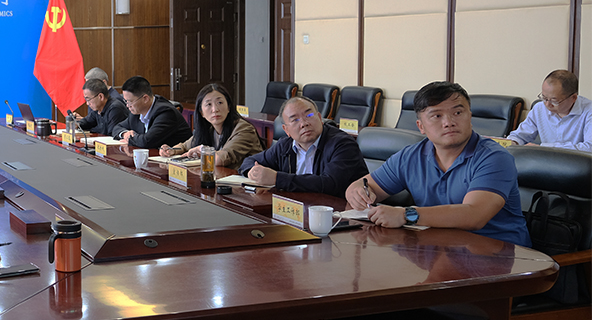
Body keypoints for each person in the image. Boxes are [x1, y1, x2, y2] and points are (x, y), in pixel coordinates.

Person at [344, 81, 530, 246]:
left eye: (458, 113)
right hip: (440, 249)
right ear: (421, 127)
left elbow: (474, 216)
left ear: (470, 117)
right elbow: (365, 185)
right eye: (437, 116)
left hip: (499, 256)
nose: (449, 122)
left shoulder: (494, 157)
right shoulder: (411, 156)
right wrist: (356, 192)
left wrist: (405, 215)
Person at [239, 96, 368, 197]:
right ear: (286, 130)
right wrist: (253, 172)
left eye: (309, 115)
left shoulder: (343, 144)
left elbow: (329, 184)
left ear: (319, 118)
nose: (304, 123)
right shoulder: (284, 146)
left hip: (340, 214)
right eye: (295, 120)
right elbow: (249, 161)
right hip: (298, 210)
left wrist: (277, 178)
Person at [159, 82, 262, 167]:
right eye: (209, 104)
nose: (215, 109)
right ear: (201, 113)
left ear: (229, 107)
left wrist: (203, 150)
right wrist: (170, 150)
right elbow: (185, 146)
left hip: (245, 183)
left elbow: (221, 159)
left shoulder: (244, 129)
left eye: (220, 103)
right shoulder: (209, 129)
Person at [507, 69, 592, 151]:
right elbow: (520, 136)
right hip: (545, 160)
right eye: (544, 98)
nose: (547, 104)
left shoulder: (589, 111)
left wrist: (544, 148)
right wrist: (514, 142)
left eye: (554, 101)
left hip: (577, 161)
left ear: (573, 98)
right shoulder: (539, 108)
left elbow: (589, 147)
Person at [112, 76, 192, 149]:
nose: (127, 105)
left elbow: (147, 141)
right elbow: (117, 127)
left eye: (130, 101)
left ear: (145, 99)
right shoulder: (136, 112)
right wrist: (125, 134)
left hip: (176, 157)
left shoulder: (166, 112)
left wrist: (130, 139)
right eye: (125, 101)